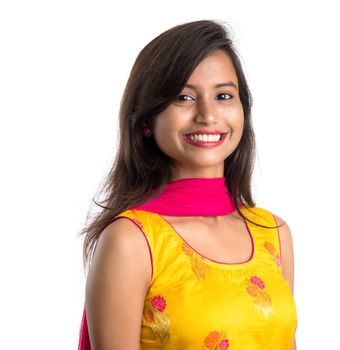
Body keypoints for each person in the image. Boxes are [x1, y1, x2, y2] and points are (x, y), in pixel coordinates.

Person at [77, 19, 298, 349]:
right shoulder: (131, 240)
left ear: (243, 110)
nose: (208, 115)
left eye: (224, 95)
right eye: (183, 97)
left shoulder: (273, 232)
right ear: (147, 119)